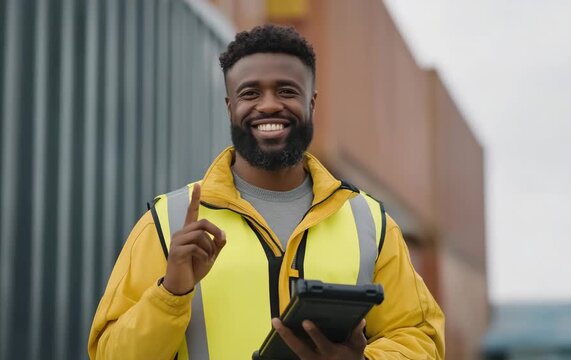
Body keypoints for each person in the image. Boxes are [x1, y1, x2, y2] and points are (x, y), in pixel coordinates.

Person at [89, 24, 445, 360]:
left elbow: (421, 339)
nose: (270, 105)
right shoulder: (168, 223)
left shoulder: (368, 222)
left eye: (287, 91)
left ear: (312, 103)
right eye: (250, 93)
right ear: (231, 107)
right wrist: (171, 292)